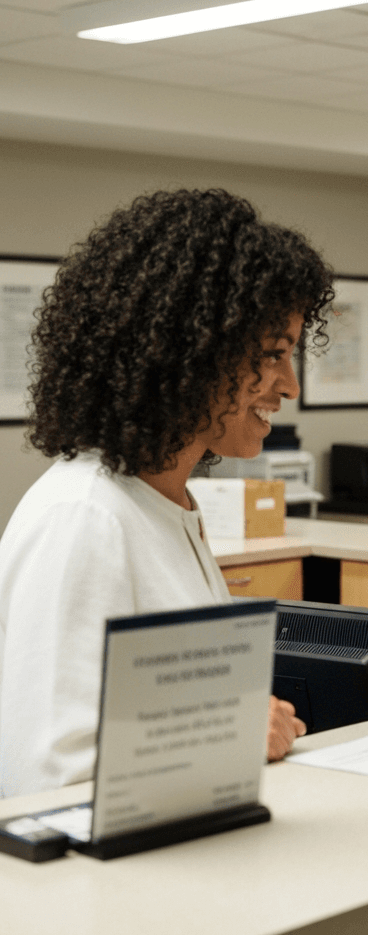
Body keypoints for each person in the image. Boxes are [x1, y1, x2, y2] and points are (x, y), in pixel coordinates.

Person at [0, 188, 335, 798]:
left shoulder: (166, 504)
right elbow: (44, 775)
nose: (289, 383)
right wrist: (230, 728)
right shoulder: (82, 517)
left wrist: (231, 722)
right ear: (191, 355)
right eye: (272, 354)